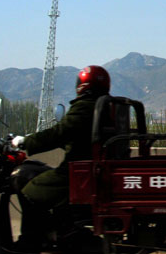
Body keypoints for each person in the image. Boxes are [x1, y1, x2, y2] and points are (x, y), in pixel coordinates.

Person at [11, 65, 111, 251]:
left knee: (31, 191)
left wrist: (27, 142)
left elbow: (61, 132)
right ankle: (58, 228)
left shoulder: (86, 106)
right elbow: (82, 138)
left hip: (78, 172)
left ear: (83, 84)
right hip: (94, 167)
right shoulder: (108, 106)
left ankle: (31, 242)